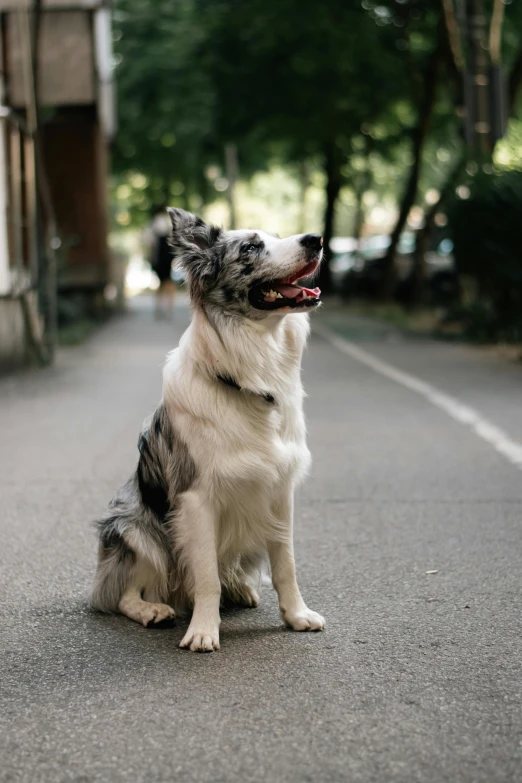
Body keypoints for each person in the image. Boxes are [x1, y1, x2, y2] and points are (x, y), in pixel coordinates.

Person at [146, 206, 176, 319]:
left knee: (162, 283)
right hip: (166, 257)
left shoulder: (153, 225)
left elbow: (151, 243)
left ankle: (160, 307)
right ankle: (168, 308)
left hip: (159, 258)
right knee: (168, 283)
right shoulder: (167, 224)